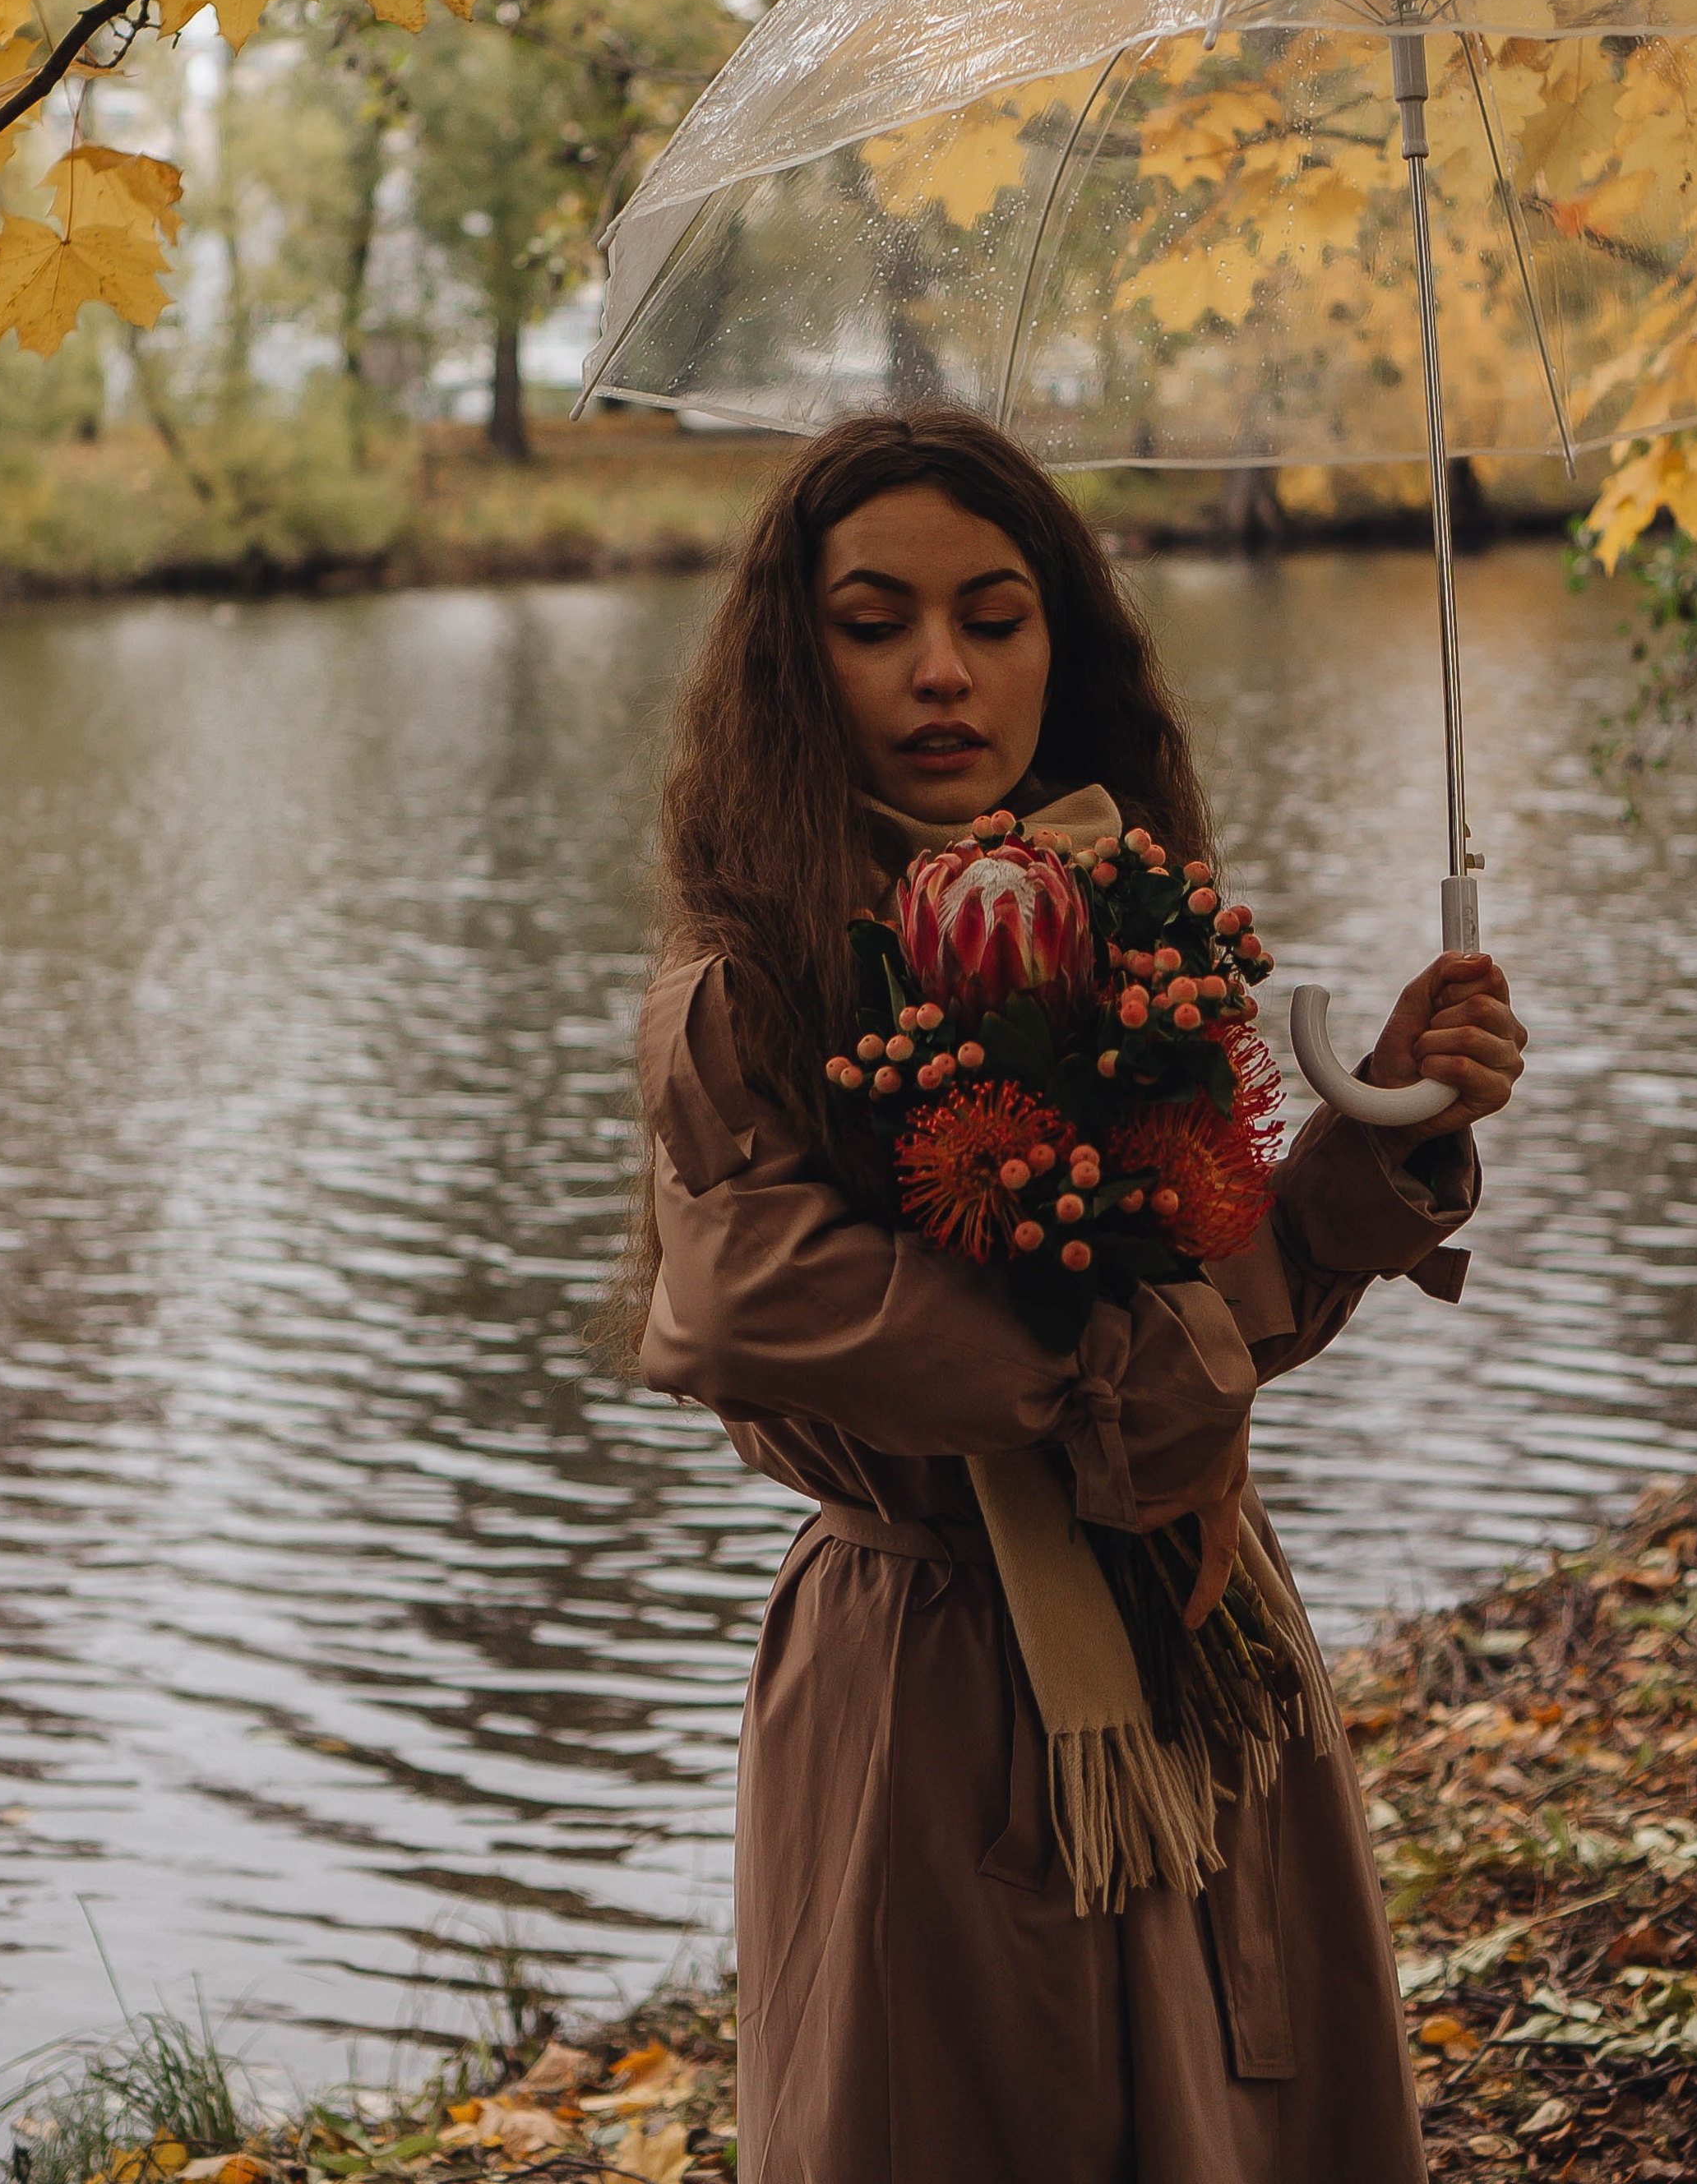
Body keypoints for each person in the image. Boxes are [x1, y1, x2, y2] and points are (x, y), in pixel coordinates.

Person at [614, 409, 1525, 2184]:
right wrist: (1126, 1378)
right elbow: (745, 1303)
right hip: (932, 1677)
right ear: (797, 660)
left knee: (1241, 2110)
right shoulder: (747, 978)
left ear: (1062, 642)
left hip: (1192, 1626)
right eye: (874, 624)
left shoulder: (1127, 921)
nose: (941, 672)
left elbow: (1212, 1311)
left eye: (996, 615)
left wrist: (1370, 1147)